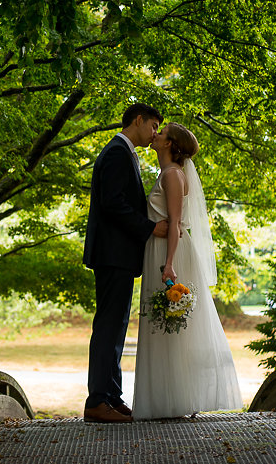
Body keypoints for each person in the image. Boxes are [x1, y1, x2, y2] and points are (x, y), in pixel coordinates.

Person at [132, 122, 243, 420]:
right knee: (165, 325)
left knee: (172, 324)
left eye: (162, 133)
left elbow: (176, 224)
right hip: (163, 250)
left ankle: (176, 400)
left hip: (172, 254)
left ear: (170, 144)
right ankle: (169, 400)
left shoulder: (172, 175)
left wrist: (168, 264)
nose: (155, 135)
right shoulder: (166, 174)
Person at [83, 103, 168, 423]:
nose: (155, 133)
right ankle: (97, 401)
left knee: (116, 327)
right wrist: (150, 228)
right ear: (139, 120)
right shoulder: (117, 152)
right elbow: (114, 204)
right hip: (112, 254)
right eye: (154, 126)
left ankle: (112, 396)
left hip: (117, 255)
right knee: (108, 327)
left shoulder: (122, 151)